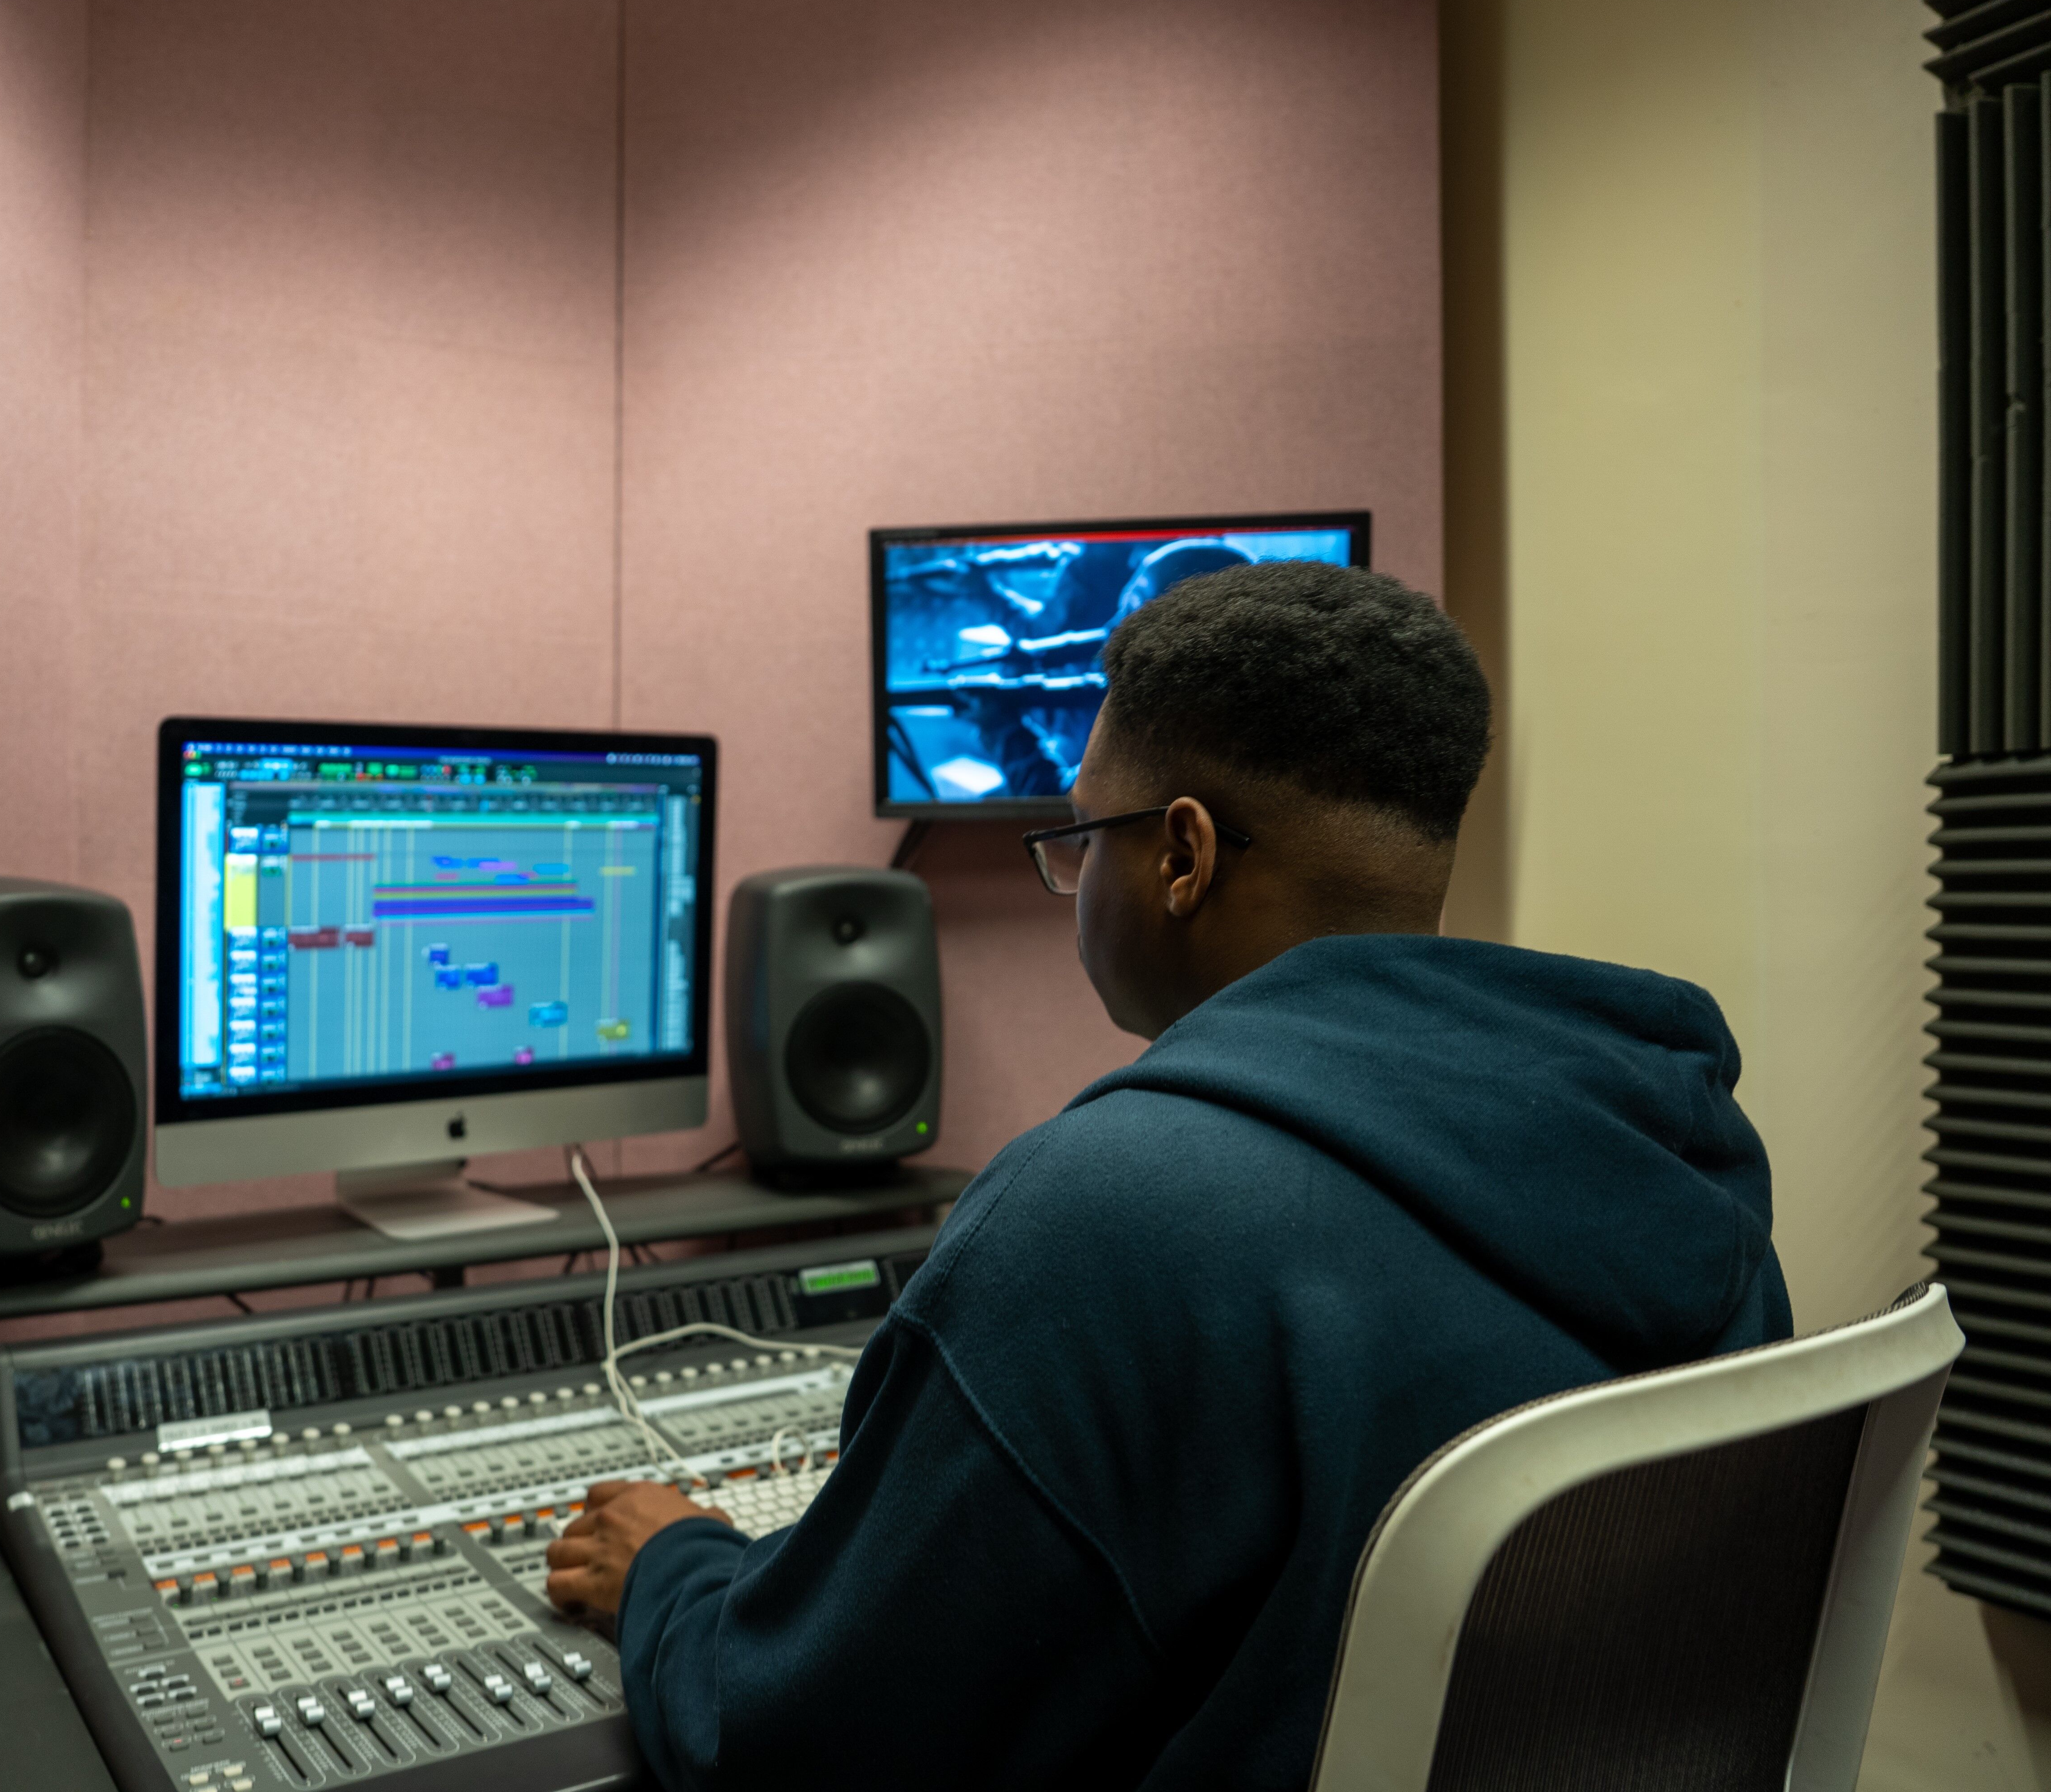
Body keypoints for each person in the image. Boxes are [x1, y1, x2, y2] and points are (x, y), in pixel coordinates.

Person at [544, 561, 1793, 1789]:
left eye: (1085, 839)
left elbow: (804, 1743)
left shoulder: (1113, 1210)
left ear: (1183, 857)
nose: (1075, 881)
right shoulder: (1671, 1148)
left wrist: (677, 1570)